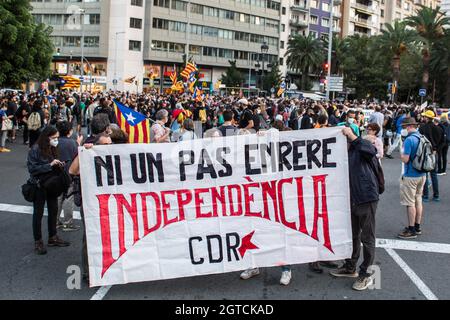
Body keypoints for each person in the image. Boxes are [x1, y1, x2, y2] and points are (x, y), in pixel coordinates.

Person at [330, 127, 380, 291]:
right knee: (352, 235)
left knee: (367, 237)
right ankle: (350, 266)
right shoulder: (345, 153)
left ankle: (367, 275)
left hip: (366, 198)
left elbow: (371, 151)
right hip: (351, 200)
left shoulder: (361, 146)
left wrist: (352, 136)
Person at [27, 126, 70, 255]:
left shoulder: (52, 148)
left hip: (52, 184)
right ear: (47, 137)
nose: (56, 140)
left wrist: (59, 164)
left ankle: (53, 236)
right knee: (38, 214)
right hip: (39, 185)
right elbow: (32, 169)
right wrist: (49, 165)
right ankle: (38, 241)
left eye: (57, 138)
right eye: (54, 138)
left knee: (53, 210)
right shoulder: (35, 149)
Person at [397, 117, 427, 239]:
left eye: (404, 127)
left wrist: (401, 153)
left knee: (410, 203)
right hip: (422, 174)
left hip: (411, 175)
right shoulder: (422, 137)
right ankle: (417, 226)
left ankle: (411, 229)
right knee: (418, 200)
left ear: (409, 126)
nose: (403, 129)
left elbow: (405, 159)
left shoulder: (409, 140)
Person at [55, 121, 82, 232]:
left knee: (58, 198)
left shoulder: (55, 142)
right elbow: (78, 157)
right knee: (68, 198)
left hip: (56, 174)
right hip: (69, 174)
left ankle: (55, 221)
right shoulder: (72, 143)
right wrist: (78, 144)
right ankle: (67, 222)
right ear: (70, 131)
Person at [419, 110, 441, 202]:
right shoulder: (438, 128)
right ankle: (436, 195)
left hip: (425, 152)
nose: (423, 118)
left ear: (427, 118)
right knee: (434, 174)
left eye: (424, 117)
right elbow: (443, 141)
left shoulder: (422, 128)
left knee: (425, 173)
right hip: (434, 152)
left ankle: (425, 196)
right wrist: (436, 149)